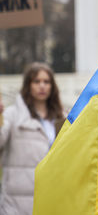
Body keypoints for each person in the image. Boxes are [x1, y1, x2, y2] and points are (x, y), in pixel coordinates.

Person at [0, 62, 65, 215]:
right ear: (28, 85)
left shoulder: (61, 117)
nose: (42, 86)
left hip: (51, 197)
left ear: (52, 86)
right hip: (16, 204)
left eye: (46, 81)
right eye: (36, 81)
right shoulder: (12, 114)